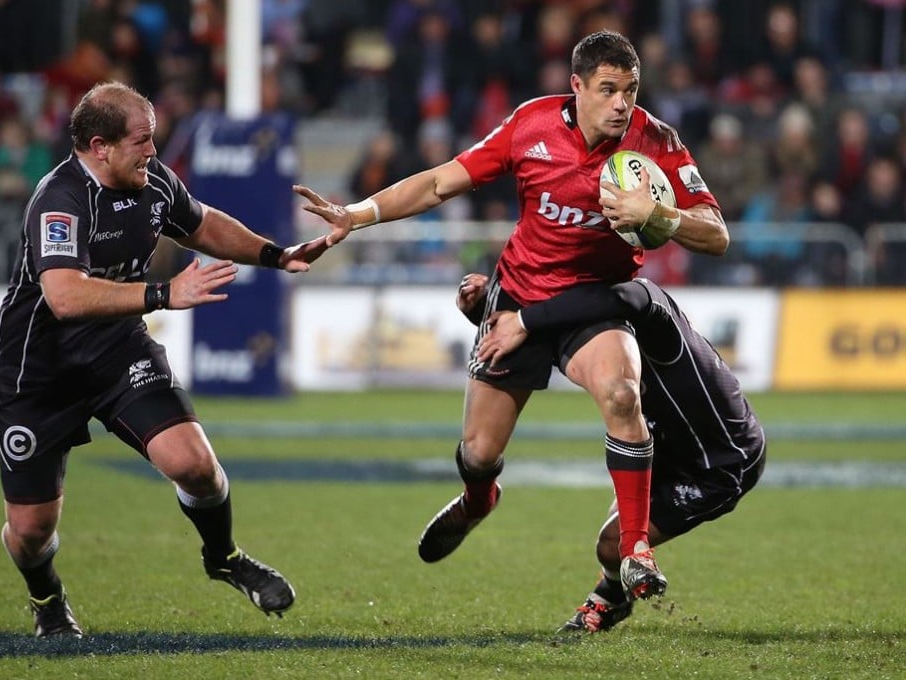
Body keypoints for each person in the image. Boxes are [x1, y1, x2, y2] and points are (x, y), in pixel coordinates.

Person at [295, 30, 729, 603]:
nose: (623, 104)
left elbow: (716, 233)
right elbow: (438, 182)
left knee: (624, 395)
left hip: (592, 306)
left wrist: (660, 214)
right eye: (608, 90)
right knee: (478, 454)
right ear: (576, 87)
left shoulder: (656, 141)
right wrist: (359, 213)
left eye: (630, 89)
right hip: (518, 302)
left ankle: (634, 551)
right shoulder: (532, 125)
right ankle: (479, 500)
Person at [0, 81, 334, 638]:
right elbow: (65, 296)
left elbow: (205, 225)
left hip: (117, 350)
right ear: (99, 146)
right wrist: (162, 294)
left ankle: (223, 558)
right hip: (39, 374)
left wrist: (277, 254)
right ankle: (46, 598)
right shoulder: (61, 199)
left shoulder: (151, 183)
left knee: (196, 465)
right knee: (30, 530)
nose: (153, 150)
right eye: (142, 140)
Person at [457, 273, 766, 632]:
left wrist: (525, 318)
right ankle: (613, 597)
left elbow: (619, 298)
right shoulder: (599, 330)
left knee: (611, 547)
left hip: (720, 464)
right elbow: (540, 336)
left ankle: (609, 599)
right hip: (664, 446)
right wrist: (485, 307)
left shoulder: (649, 309)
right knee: (613, 543)